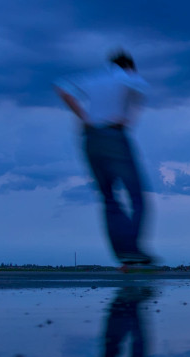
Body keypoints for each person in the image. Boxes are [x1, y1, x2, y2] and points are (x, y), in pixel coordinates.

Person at [54, 50, 153, 265]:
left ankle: (123, 253)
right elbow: (139, 92)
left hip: (91, 137)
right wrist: (128, 117)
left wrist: (85, 117)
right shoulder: (127, 77)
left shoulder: (95, 77)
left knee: (108, 198)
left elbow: (62, 87)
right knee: (136, 196)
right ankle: (132, 249)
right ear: (129, 66)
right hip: (114, 135)